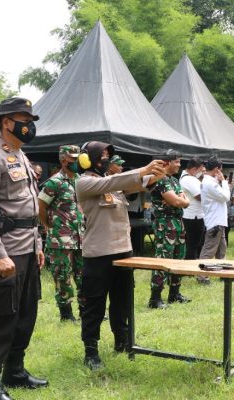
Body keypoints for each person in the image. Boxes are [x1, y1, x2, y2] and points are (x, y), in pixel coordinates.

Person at [0, 97, 47, 399]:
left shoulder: (21, 156)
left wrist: (38, 244)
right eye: (23, 119)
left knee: (26, 314)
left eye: (30, 120)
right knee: (1, 318)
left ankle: (14, 371)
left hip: (28, 248)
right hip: (7, 251)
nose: (28, 125)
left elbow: (30, 208)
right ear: (6, 122)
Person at [75, 141, 165, 370]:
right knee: (94, 304)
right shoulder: (85, 182)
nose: (107, 158)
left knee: (122, 301)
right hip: (99, 254)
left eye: (108, 154)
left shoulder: (113, 185)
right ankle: (91, 351)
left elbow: (136, 184)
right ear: (87, 158)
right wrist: (144, 168)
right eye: (102, 154)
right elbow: (113, 181)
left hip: (123, 251)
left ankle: (122, 342)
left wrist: (156, 174)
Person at [38, 145, 85, 322]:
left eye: (77, 157)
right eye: (72, 158)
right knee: (63, 275)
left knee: (83, 275)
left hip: (81, 237)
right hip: (61, 239)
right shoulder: (54, 182)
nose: (76, 161)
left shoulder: (80, 180)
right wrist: (48, 224)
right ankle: (66, 314)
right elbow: (40, 206)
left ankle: (85, 310)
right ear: (63, 160)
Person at [149, 150, 191, 308]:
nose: (179, 165)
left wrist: (181, 200)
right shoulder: (160, 179)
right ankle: (155, 298)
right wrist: (180, 200)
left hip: (178, 223)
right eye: (177, 161)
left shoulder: (174, 180)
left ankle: (174, 294)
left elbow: (183, 200)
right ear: (167, 162)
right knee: (163, 259)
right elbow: (177, 201)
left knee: (178, 257)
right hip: (165, 224)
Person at [199, 157, 231, 262]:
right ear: (217, 169)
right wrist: (224, 182)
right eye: (220, 170)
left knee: (221, 250)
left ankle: (222, 273)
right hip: (215, 222)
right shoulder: (210, 183)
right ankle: (201, 275)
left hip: (218, 221)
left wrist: (220, 181)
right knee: (209, 251)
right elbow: (226, 197)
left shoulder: (210, 181)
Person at [179, 158, 205, 261]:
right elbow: (201, 196)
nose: (202, 173)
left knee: (194, 243)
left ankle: (193, 263)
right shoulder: (189, 179)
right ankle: (190, 265)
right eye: (201, 170)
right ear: (194, 169)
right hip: (193, 216)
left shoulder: (189, 178)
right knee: (193, 244)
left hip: (194, 215)